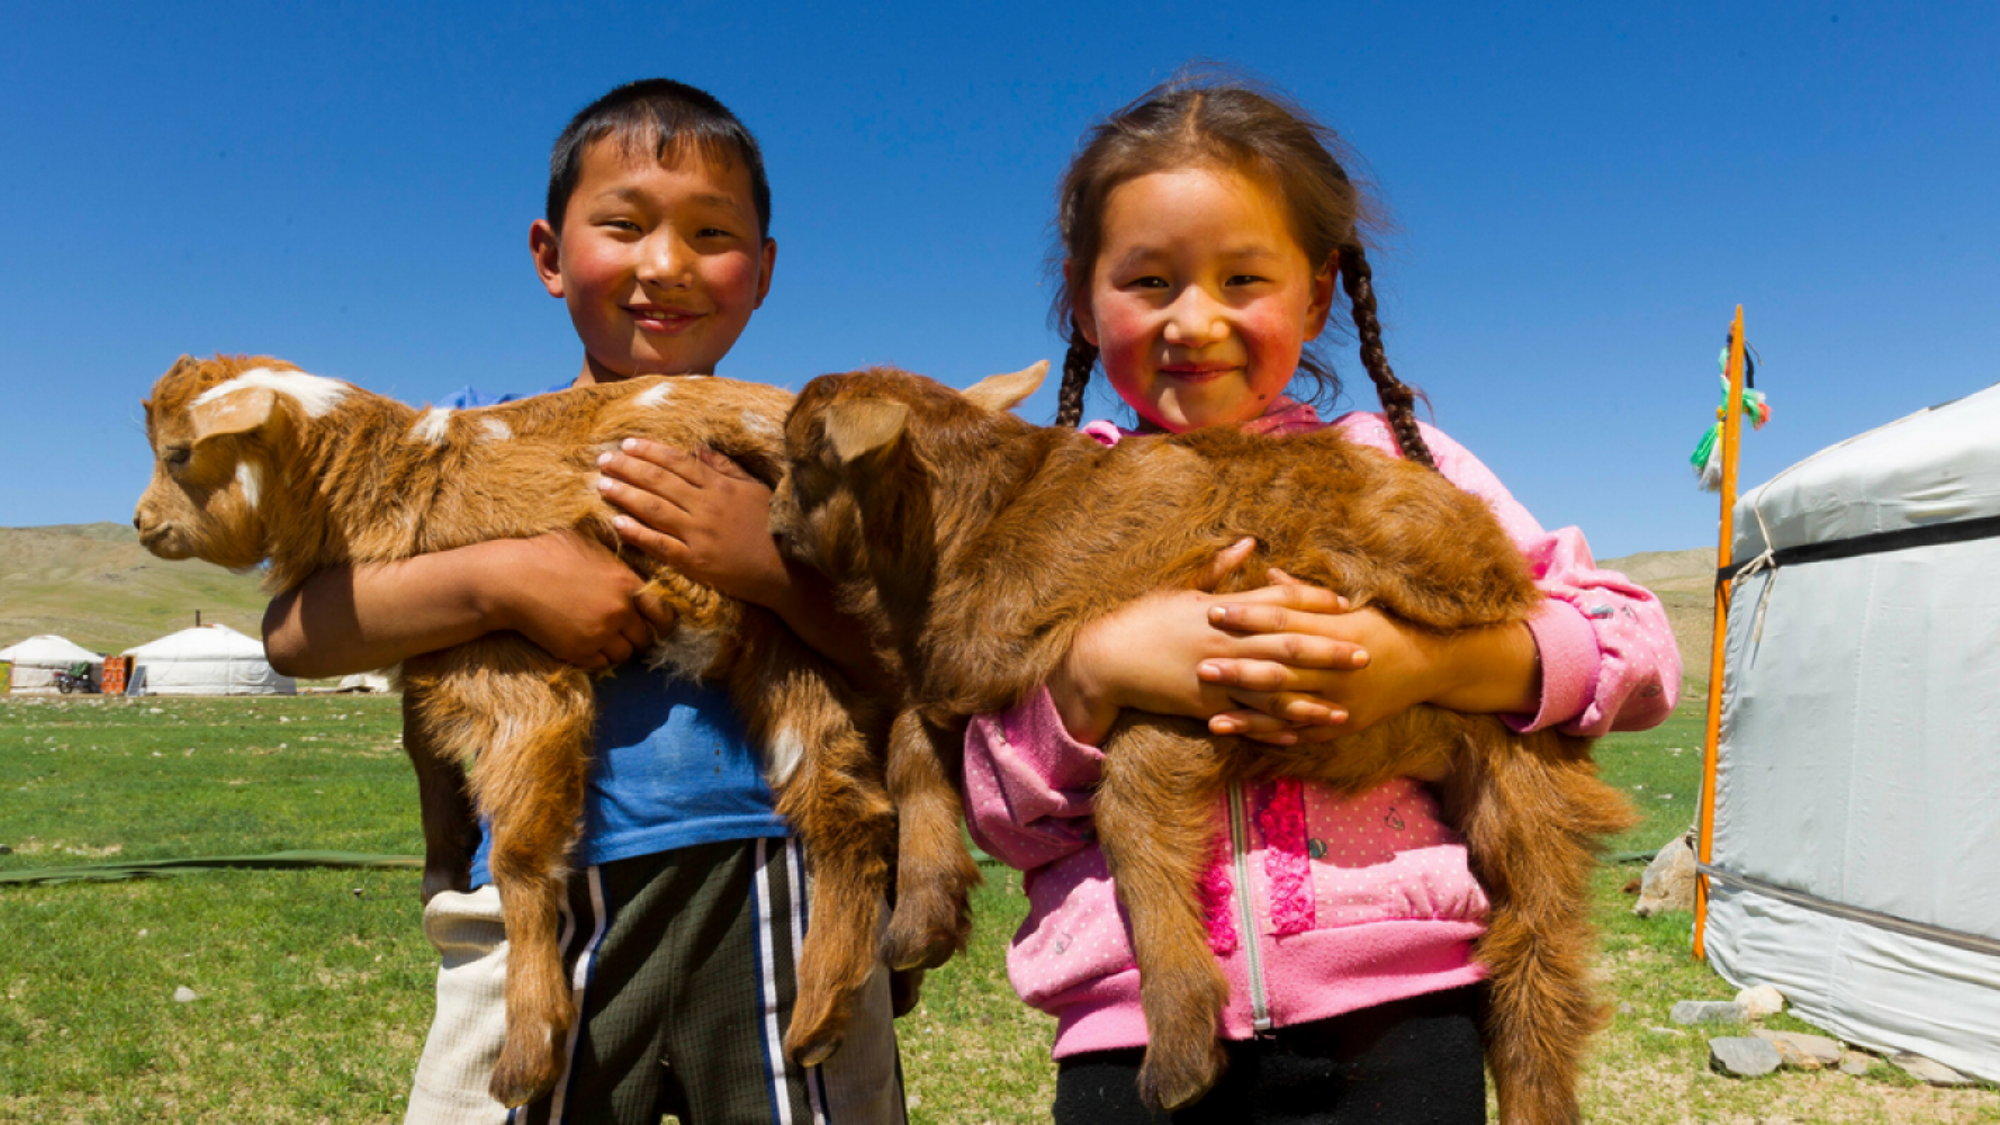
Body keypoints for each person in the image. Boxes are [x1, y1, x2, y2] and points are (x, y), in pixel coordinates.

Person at [961, 79, 1681, 1125]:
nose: (1191, 320)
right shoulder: (1047, 513)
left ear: (1315, 294)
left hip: (1396, 1014)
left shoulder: (1407, 467)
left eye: (1241, 277)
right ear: (1081, 298)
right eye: (1148, 281)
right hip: (1134, 1031)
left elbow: (1635, 644)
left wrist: (1425, 665)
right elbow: (999, 809)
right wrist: (1094, 674)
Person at [262, 79, 906, 1125]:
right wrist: (497, 576)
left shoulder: (806, 455)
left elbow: (916, 661)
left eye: (711, 233)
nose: (666, 265)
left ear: (765, 271)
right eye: (622, 225)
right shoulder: (468, 442)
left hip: (779, 883)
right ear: (548, 257)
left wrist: (762, 564)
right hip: (535, 901)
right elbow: (295, 634)